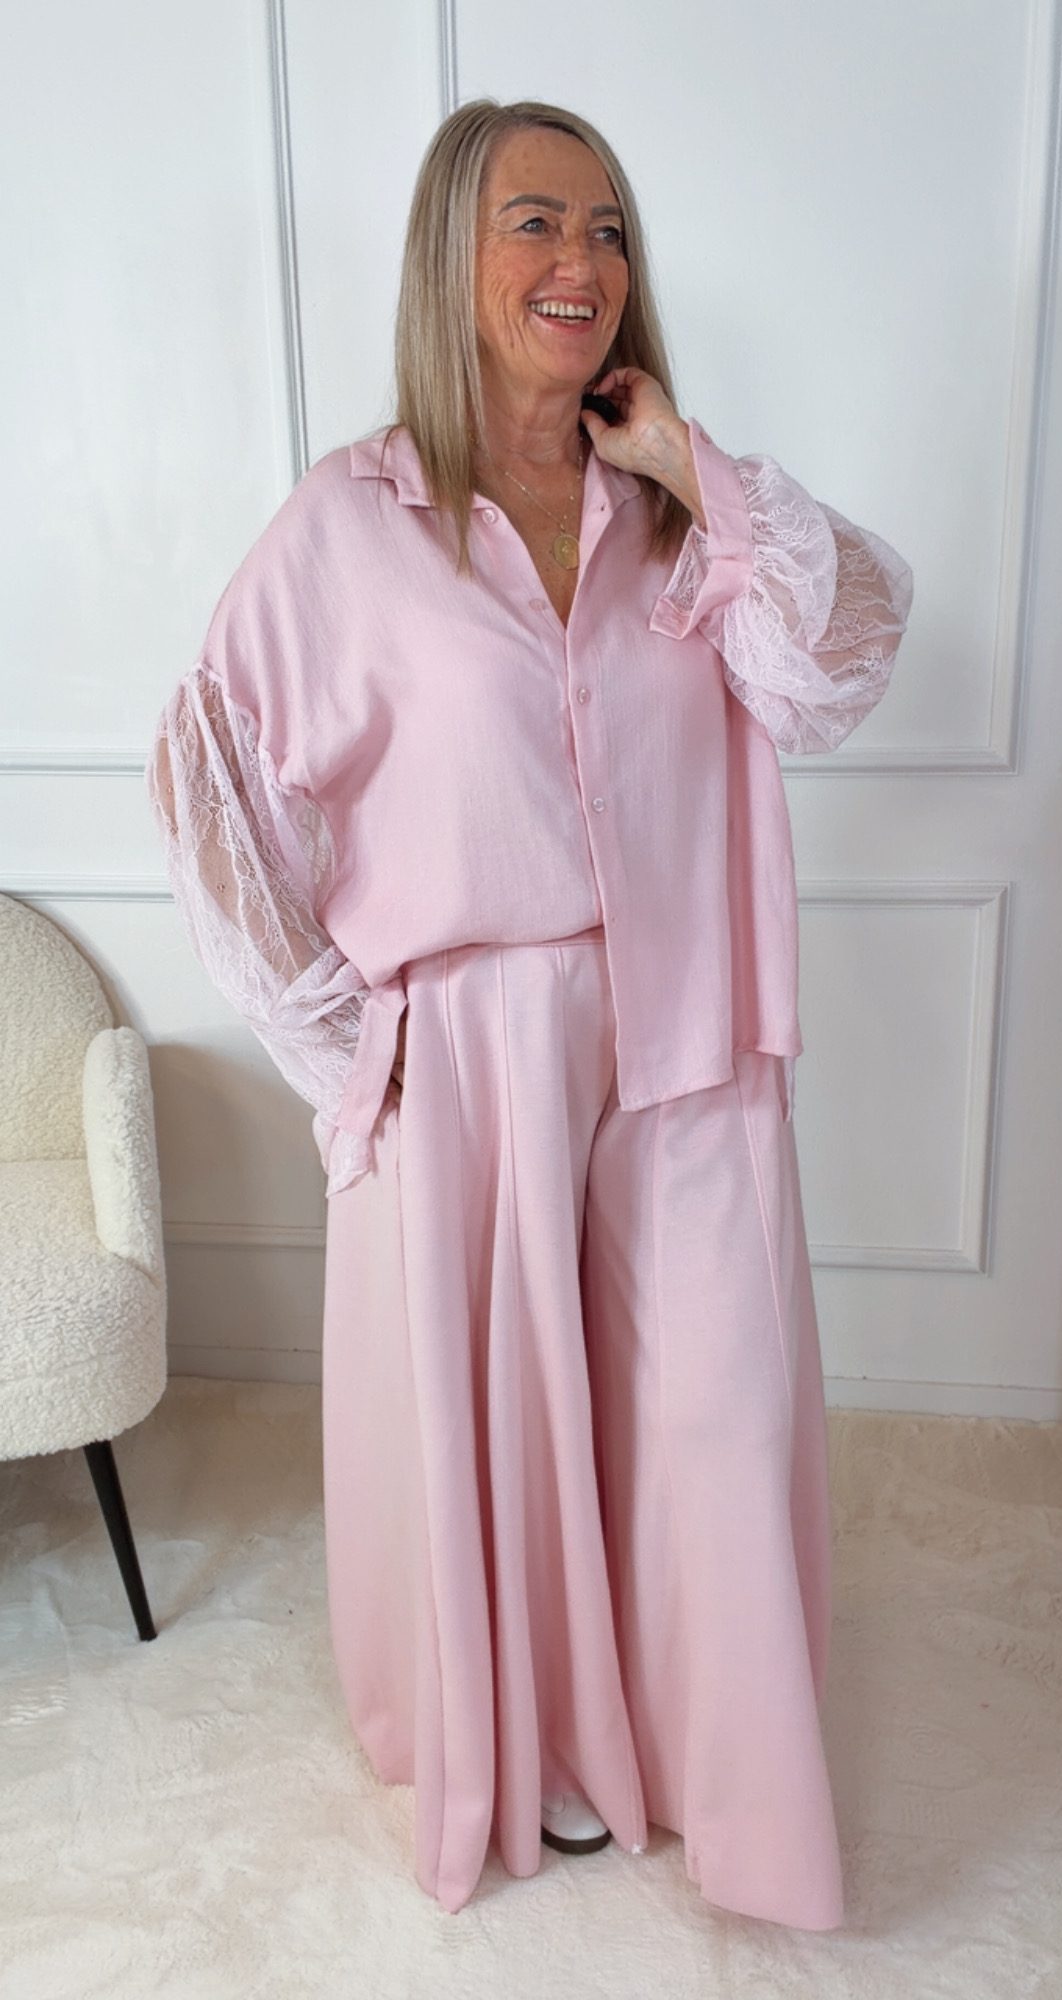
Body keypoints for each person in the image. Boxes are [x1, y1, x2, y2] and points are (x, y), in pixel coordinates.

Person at [150, 98, 912, 1929]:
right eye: (535, 222)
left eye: (609, 229)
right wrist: (353, 1054)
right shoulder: (349, 525)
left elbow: (845, 660)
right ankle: (546, 1742)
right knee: (504, 1423)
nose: (582, 262)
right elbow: (212, 780)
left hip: (689, 1027)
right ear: (453, 256)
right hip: (475, 1050)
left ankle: (710, 1744)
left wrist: (693, 464)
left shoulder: (680, 518)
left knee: (702, 1409)